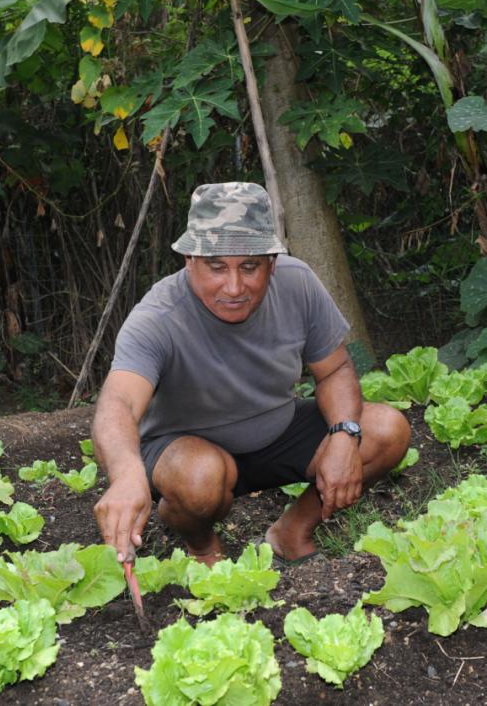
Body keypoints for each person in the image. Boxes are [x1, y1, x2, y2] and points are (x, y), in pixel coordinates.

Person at [92, 182, 411, 566]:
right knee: (199, 479)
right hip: (188, 452)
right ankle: (203, 546)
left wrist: (344, 435)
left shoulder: (297, 283)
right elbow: (119, 403)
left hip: (278, 431)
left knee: (386, 431)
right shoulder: (157, 318)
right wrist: (126, 474)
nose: (234, 286)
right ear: (189, 260)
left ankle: (293, 529)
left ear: (271, 263)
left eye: (249, 266)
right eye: (215, 267)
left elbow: (336, 369)